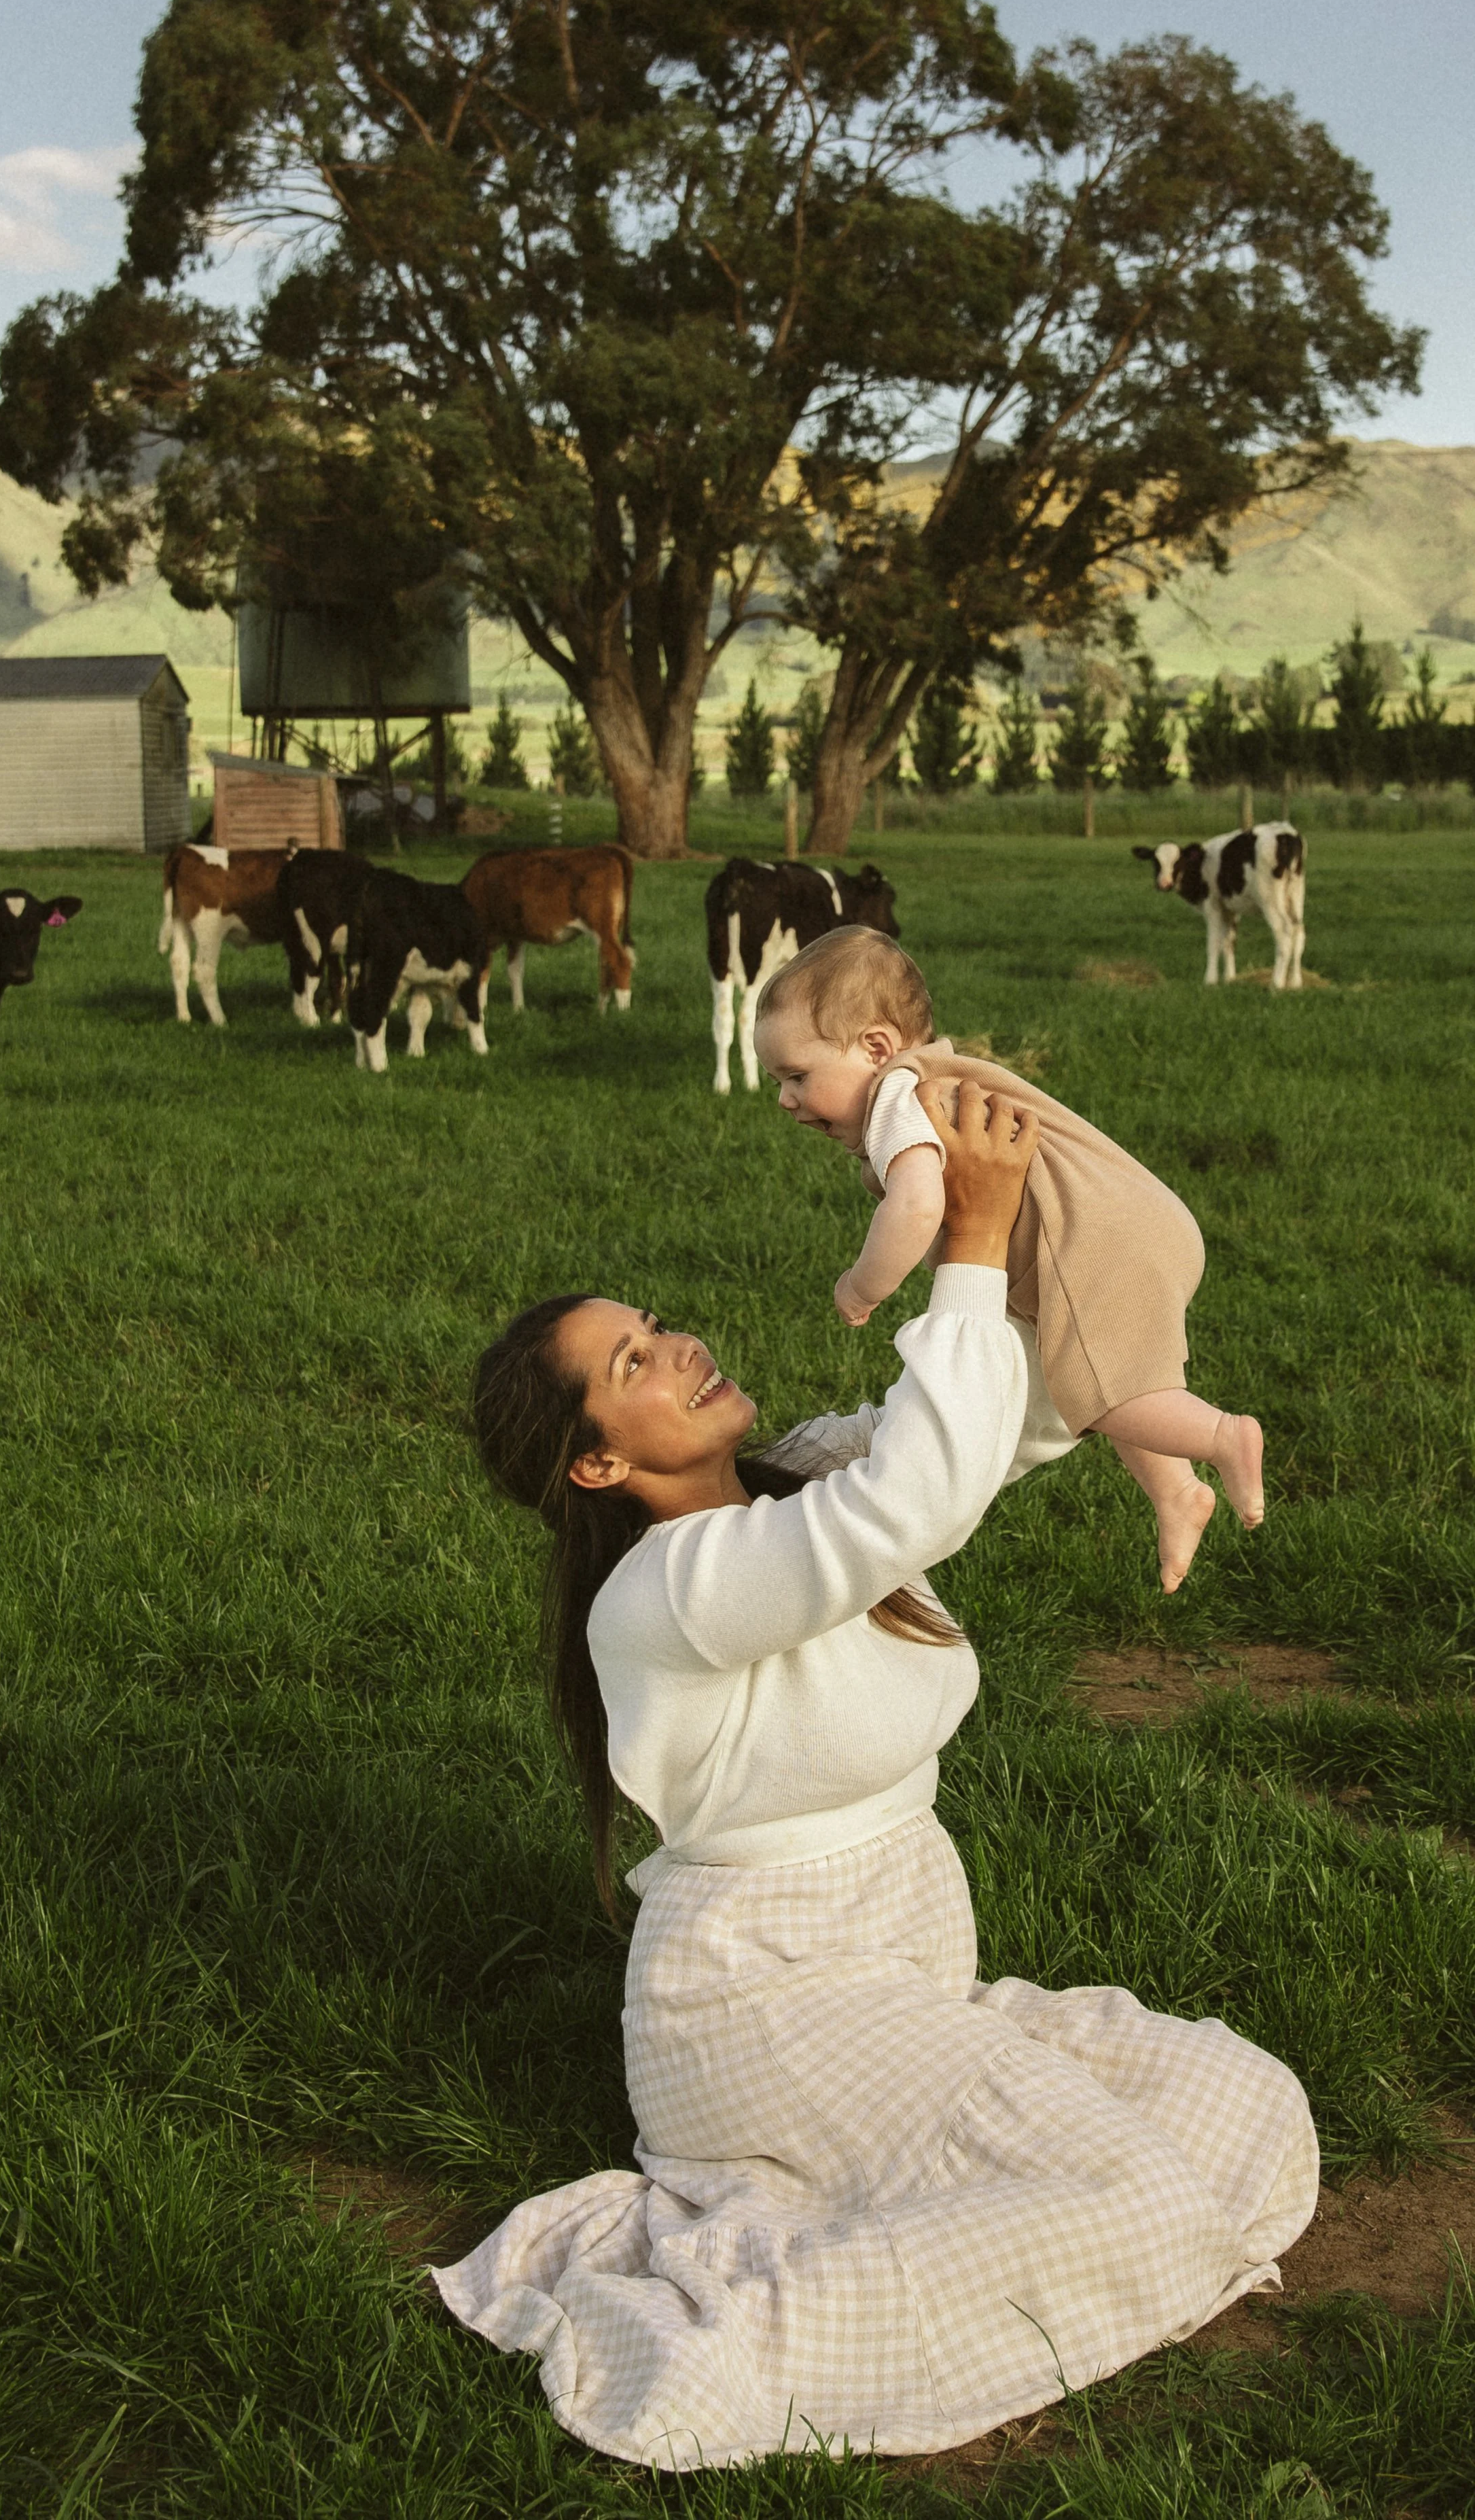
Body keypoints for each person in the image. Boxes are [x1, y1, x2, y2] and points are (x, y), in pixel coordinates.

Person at [440, 1079, 1317, 2473]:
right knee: (1131, 2197)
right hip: (759, 2008)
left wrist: (1027, 1227)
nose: (676, 1350)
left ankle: (1006, 2241)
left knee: (1248, 2106)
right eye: (631, 1367)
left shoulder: (796, 1484)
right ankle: (796, 2329)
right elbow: (917, 1493)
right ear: (597, 1461)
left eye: (656, 1327)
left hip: (901, 1966)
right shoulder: (669, 1589)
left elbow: (1006, 1422)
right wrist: (960, 1244)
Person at [751, 925, 1264, 1593]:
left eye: (797, 1076)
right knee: (1102, 1375)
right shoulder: (939, 1076)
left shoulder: (896, 1099)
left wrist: (860, 1286)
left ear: (875, 1047)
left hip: (1095, 1244)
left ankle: (1223, 1437)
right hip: (1134, 1224)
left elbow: (915, 1208)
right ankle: (1174, 1492)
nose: (786, 1100)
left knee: (1104, 1396)